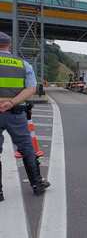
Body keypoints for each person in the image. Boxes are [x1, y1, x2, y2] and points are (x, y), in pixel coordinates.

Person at [0, 31, 50, 202]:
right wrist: (11, 102)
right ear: (9, 45)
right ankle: (37, 183)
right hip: (15, 112)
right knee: (26, 147)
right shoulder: (23, 64)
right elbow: (31, 89)